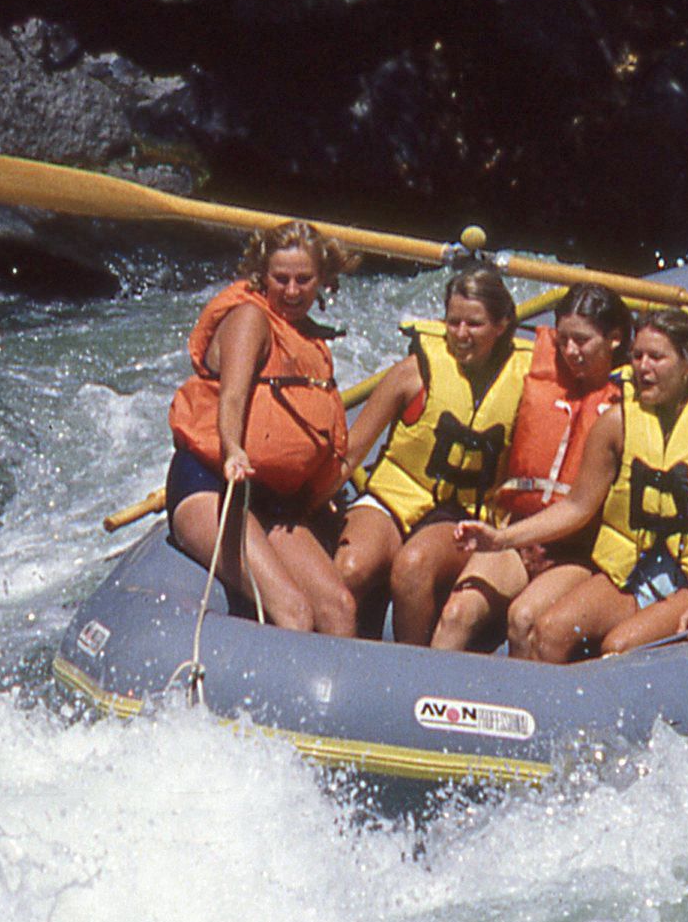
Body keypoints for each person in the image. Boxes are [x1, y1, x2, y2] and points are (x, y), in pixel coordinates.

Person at [500, 308, 688, 662]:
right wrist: (501, 539)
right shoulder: (616, 422)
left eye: (657, 357)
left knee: (618, 647)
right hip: (638, 568)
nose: (643, 367)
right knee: (549, 630)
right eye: (637, 356)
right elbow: (577, 506)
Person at [165, 221, 359, 635]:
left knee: (339, 607)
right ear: (261, 275)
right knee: (295, 612)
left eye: (303, 280)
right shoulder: (250, 318)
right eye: (281, 279)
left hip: (271, 498)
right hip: (216, 484)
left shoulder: (309, 341)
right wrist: (233, 448)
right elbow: (233, 396)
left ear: (321, 280)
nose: (292, 291)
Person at [429, 285, 631, 654]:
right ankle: (418, 698)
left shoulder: (630, 407)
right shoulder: (538, 378)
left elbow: (582, 509)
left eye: (583, 341)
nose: (570, 352)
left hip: (577, 552)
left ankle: (513, 710)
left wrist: (505, 538)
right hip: (519, 531)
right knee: (457, 612)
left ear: (614, 339)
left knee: (523, 619)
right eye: (564, 340)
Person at [335, 265, 530, 644]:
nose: (460, 334)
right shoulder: (413, 371)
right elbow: (350, 452)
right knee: (350, 568)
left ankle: (412, 674)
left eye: (474, 325)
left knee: (413, 566)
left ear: (502, 324)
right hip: (395, 497)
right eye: (452, 322)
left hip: (464, 515)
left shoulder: (526, 384)